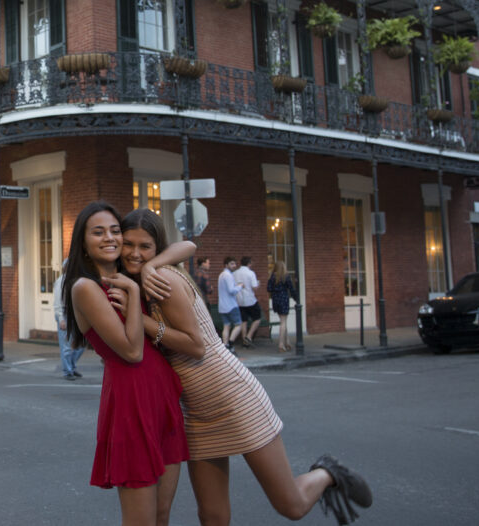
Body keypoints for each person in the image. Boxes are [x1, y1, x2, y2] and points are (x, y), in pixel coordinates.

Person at [124, 209, 373, 526]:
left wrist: (141, 318)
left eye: (144, 246)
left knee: (291, 506)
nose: (135, 252)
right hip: (195, 411)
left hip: (231, 395)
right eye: (128, 244)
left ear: (156, 247)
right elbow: (186, 247)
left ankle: (327, 472)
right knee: (212, 516)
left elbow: (196, 344)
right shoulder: (140, 282)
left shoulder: (164, 279)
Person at [63, 201, 188, 526]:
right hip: (131, 405)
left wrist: (146, 269)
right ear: (84, 243)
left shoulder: (128, 274)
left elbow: (188, 245)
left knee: (162, 516)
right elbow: (132, 351)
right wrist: (133, 291)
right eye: (98, 232)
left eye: (115, 230)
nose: (110, 238)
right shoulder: (86, 288)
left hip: (162, 400)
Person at [53, 259, 84, 380]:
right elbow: (58, 302)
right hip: (64, 314)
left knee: (81, 343)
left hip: (75, 313)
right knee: (66, 345)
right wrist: (61, 319)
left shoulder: (76, 281)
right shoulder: (61, 281)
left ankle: (71, 366)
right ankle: (68, 371)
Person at [267, 260, 298, 353]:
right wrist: (296, 298)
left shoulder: (272, 277)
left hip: (275, 299)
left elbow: (269, 289)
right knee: (283, 322)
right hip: (284, 299)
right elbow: (291, 289)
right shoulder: (286, 276)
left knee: (282, 321)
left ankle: (287, 342)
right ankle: (281, 344)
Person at [235, 256, 261, 348]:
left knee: (243, 320)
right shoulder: (251, 273)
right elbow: (254, 287)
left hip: (239, 300)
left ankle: (244, 339)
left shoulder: (235, 273)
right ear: (249, 263)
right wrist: (258, 284)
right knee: (257, 318)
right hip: (250, 300)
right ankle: (249, 337)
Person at [217, 258, 242, 352]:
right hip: (231, 305)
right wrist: (240, 286)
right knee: (238, 325)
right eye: (232, 264)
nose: (234, 265)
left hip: (222, 306)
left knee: (226, 326)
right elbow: (231, 290)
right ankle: (230, 344)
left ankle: (225, 345)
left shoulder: (221, 275)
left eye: (235, 263)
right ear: (226, 265)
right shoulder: (228, 275)